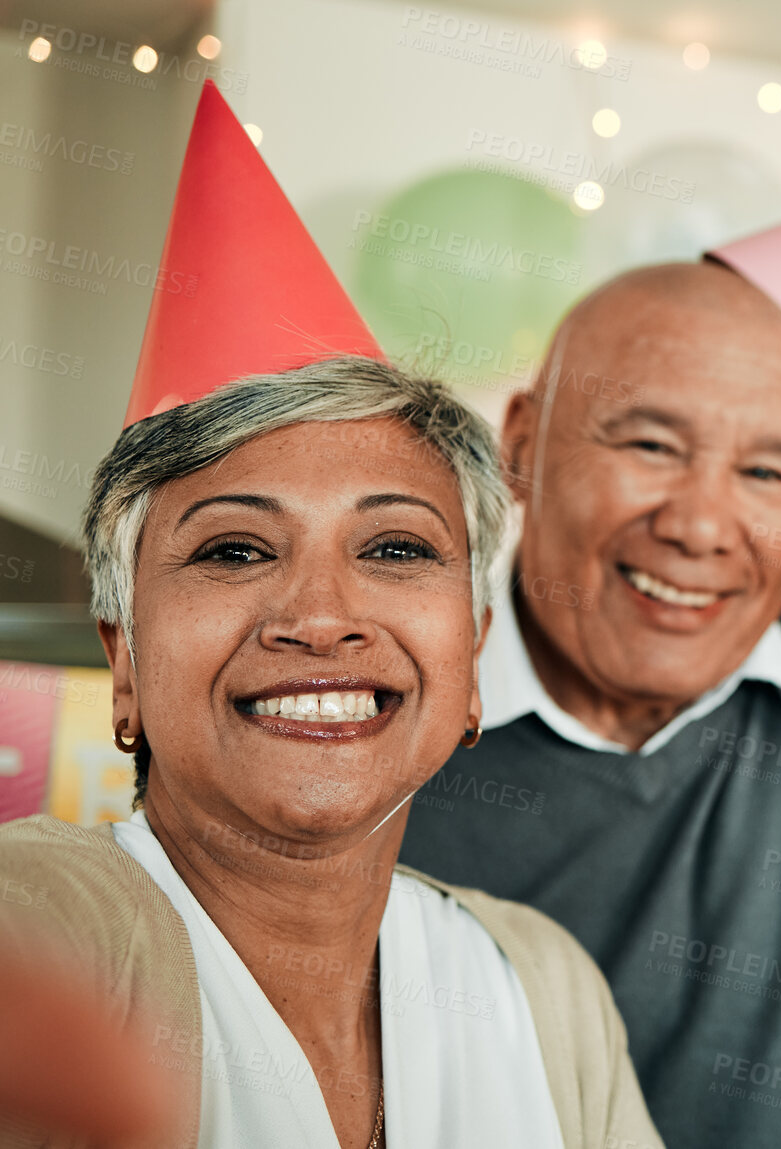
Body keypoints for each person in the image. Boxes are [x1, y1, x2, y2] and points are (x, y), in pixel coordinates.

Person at [0, 83, 660, 1149]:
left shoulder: (541, 989)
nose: (319, 616)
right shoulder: (50, 923)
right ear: (123, 663)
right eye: (233, 550)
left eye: (396, 547)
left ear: (474, 656)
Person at [399, 171, 781, 1148]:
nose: (697, 525)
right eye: (649, 443)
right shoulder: (383, 688)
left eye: (766, 472)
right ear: (520, 446)